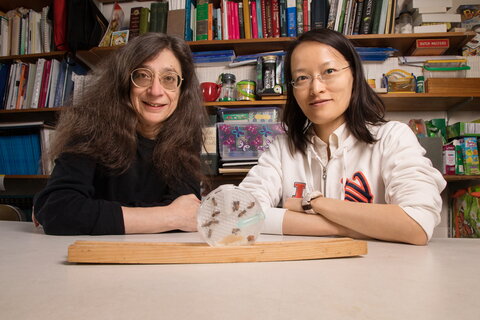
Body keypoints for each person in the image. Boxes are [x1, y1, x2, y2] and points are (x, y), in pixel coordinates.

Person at [239, 29, 446, 245]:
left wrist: (315, 204)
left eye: (328, 71)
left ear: (354, 76)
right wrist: (352, 227)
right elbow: (241, 215)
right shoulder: (283, 148)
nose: (316, 88)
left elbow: (417, 225)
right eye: (302, 77)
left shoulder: (392, 137)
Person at [33, 32, 208, 235]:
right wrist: (168, 216)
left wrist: (91, 212)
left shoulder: (187, 137)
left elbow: (186, 215)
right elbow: (60, 212)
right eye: (142, 75)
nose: (156, 91)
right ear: (124, 82)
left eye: (169, 78)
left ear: (182, 88)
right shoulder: (89, 127)